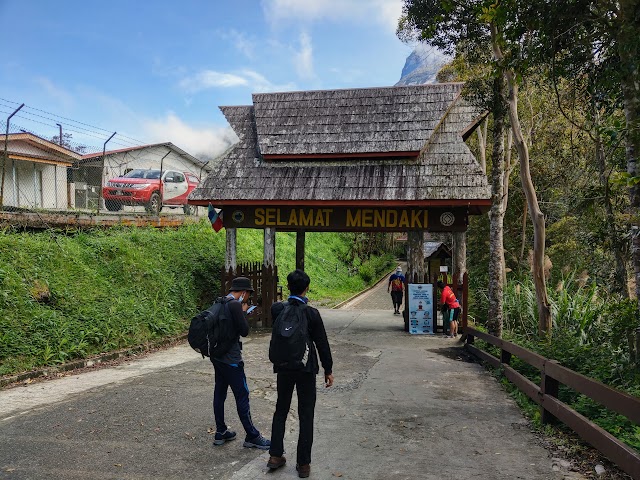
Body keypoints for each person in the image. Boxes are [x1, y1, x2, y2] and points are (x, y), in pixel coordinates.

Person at [267, 269, 334, 479]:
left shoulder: (277, 309)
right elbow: (322, 343)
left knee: (281, 410)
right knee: (306, 413)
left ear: (287, 287)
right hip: (305, 369)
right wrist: (328, 369)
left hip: (284, 368)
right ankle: (303, 464)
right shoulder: (311, 313)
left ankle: (275, 456)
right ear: (307, 288)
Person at [211, 276, 271, 449]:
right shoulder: (236, 305)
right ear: (244, 292)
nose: (247, 298)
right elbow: (244, 331)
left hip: (217, 357)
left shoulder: (220, 302)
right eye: (248, 294)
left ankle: (220, 431)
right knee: (242, 395)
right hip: (232, 360)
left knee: (219, 393)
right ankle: (252, 435)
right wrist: (244, 312)